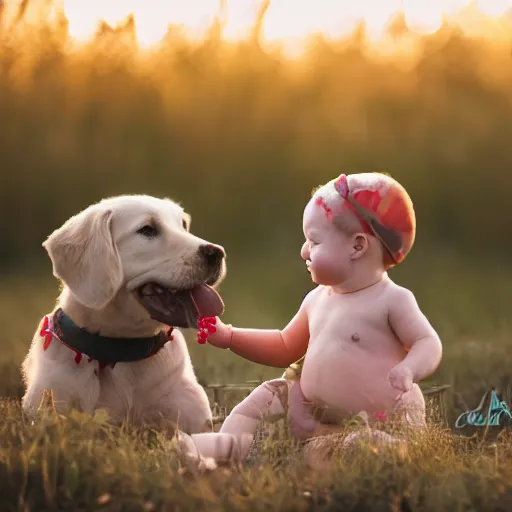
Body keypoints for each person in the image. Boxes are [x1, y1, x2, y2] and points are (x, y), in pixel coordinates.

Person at [176, 172, 443, 470]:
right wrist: (229, 337)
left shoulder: (391, 300)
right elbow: (284, 345)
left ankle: (384, 451)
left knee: (355, 447)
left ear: (358, 247)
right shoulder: (317, 298)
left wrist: (410, 368)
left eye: (313, 241)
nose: (304, 250)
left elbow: (427, 342)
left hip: (373, 417)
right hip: (314, 410)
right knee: (263, 398)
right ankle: (225, 449)